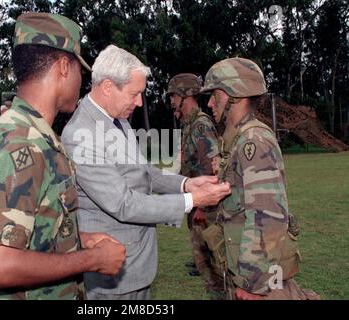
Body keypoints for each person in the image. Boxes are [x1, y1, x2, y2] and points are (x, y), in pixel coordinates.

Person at [0, 12, 126, 300]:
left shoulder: (36, 135)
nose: (82, 80)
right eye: (80, 70)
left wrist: (78, 241)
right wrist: (93, 260)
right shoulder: (20, 141)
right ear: (64, 67)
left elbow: (35, 228)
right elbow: (1, 266)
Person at [61, 44, 231, 300]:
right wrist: (192, 201)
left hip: (136, 263)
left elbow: (144, 172)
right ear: (108, 87)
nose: (139, 102)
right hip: (113, 273)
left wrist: (186, 185)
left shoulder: (117, 120)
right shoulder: (81, 135)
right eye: (134, 93)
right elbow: (123, 203)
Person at [200, 57, 320, 300]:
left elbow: (267, 217)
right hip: (245, 273)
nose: (211, 103)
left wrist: (252, 284)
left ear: (235, 95)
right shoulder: (238, 140)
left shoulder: (254, 141)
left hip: (260, 284)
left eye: (216, 94)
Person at [167, 73, 221, 290]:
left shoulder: (201, 125)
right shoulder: (188, 125)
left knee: (213, 270)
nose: (171, 100)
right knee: (204, 260)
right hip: (195, 198)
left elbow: (211, 168)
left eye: (173, 95)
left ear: (185, 95)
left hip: (204, 205)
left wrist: (201, 206)